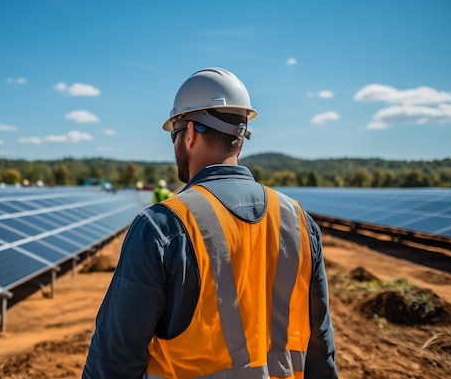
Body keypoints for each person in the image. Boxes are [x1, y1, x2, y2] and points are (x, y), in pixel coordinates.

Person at [83, 67, 338, 378]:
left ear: (188, 132)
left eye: (174, 135)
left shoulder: (162, 226)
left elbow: (114, 359)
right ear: (240, 138)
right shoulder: (298, 221)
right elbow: (320, 350)